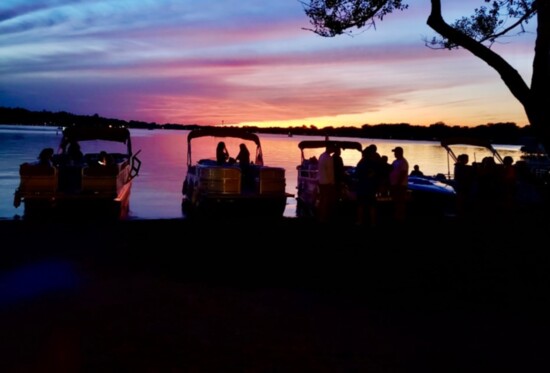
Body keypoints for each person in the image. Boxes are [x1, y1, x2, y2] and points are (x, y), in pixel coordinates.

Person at [355, 145, 380, 227]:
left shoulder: (361, 163)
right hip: (370, 187)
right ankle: (373, 222)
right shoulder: (373, 163)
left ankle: (359, 221)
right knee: (372, 205)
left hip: (362, 186)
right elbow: (376, 173)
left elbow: (357, 174)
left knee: (360, 205)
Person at [317, 143, 336, 223]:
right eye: (332, 147)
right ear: (329, 148)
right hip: (327, 182)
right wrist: (332, 182)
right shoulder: (329, 158)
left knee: (322, 200)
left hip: (321, 181)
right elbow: (330, 172)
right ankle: (323, 217)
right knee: (326, 200)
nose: (333, 149)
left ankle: (320, 216)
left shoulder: (321, 156)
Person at [389, 146, 409, 222]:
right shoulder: (395, 161)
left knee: (400, 202)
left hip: (400, 186)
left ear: (399, 153)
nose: (394, 154)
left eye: (395, 152)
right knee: (395, 201)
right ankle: (396, 216)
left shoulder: (403, 162)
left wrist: (398, 184)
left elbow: (403, 174)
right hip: (394, 185)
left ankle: (400, 217)